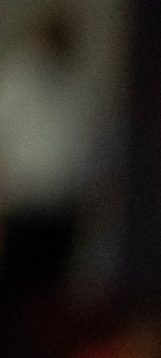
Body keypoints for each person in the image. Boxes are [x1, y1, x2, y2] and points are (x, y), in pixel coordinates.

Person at [0, 6, 99, 304]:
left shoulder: (81, 89)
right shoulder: (17, 79)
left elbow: (94, 155)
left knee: (52, 296)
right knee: (13, 292)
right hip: (22, 209)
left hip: (64, 211)